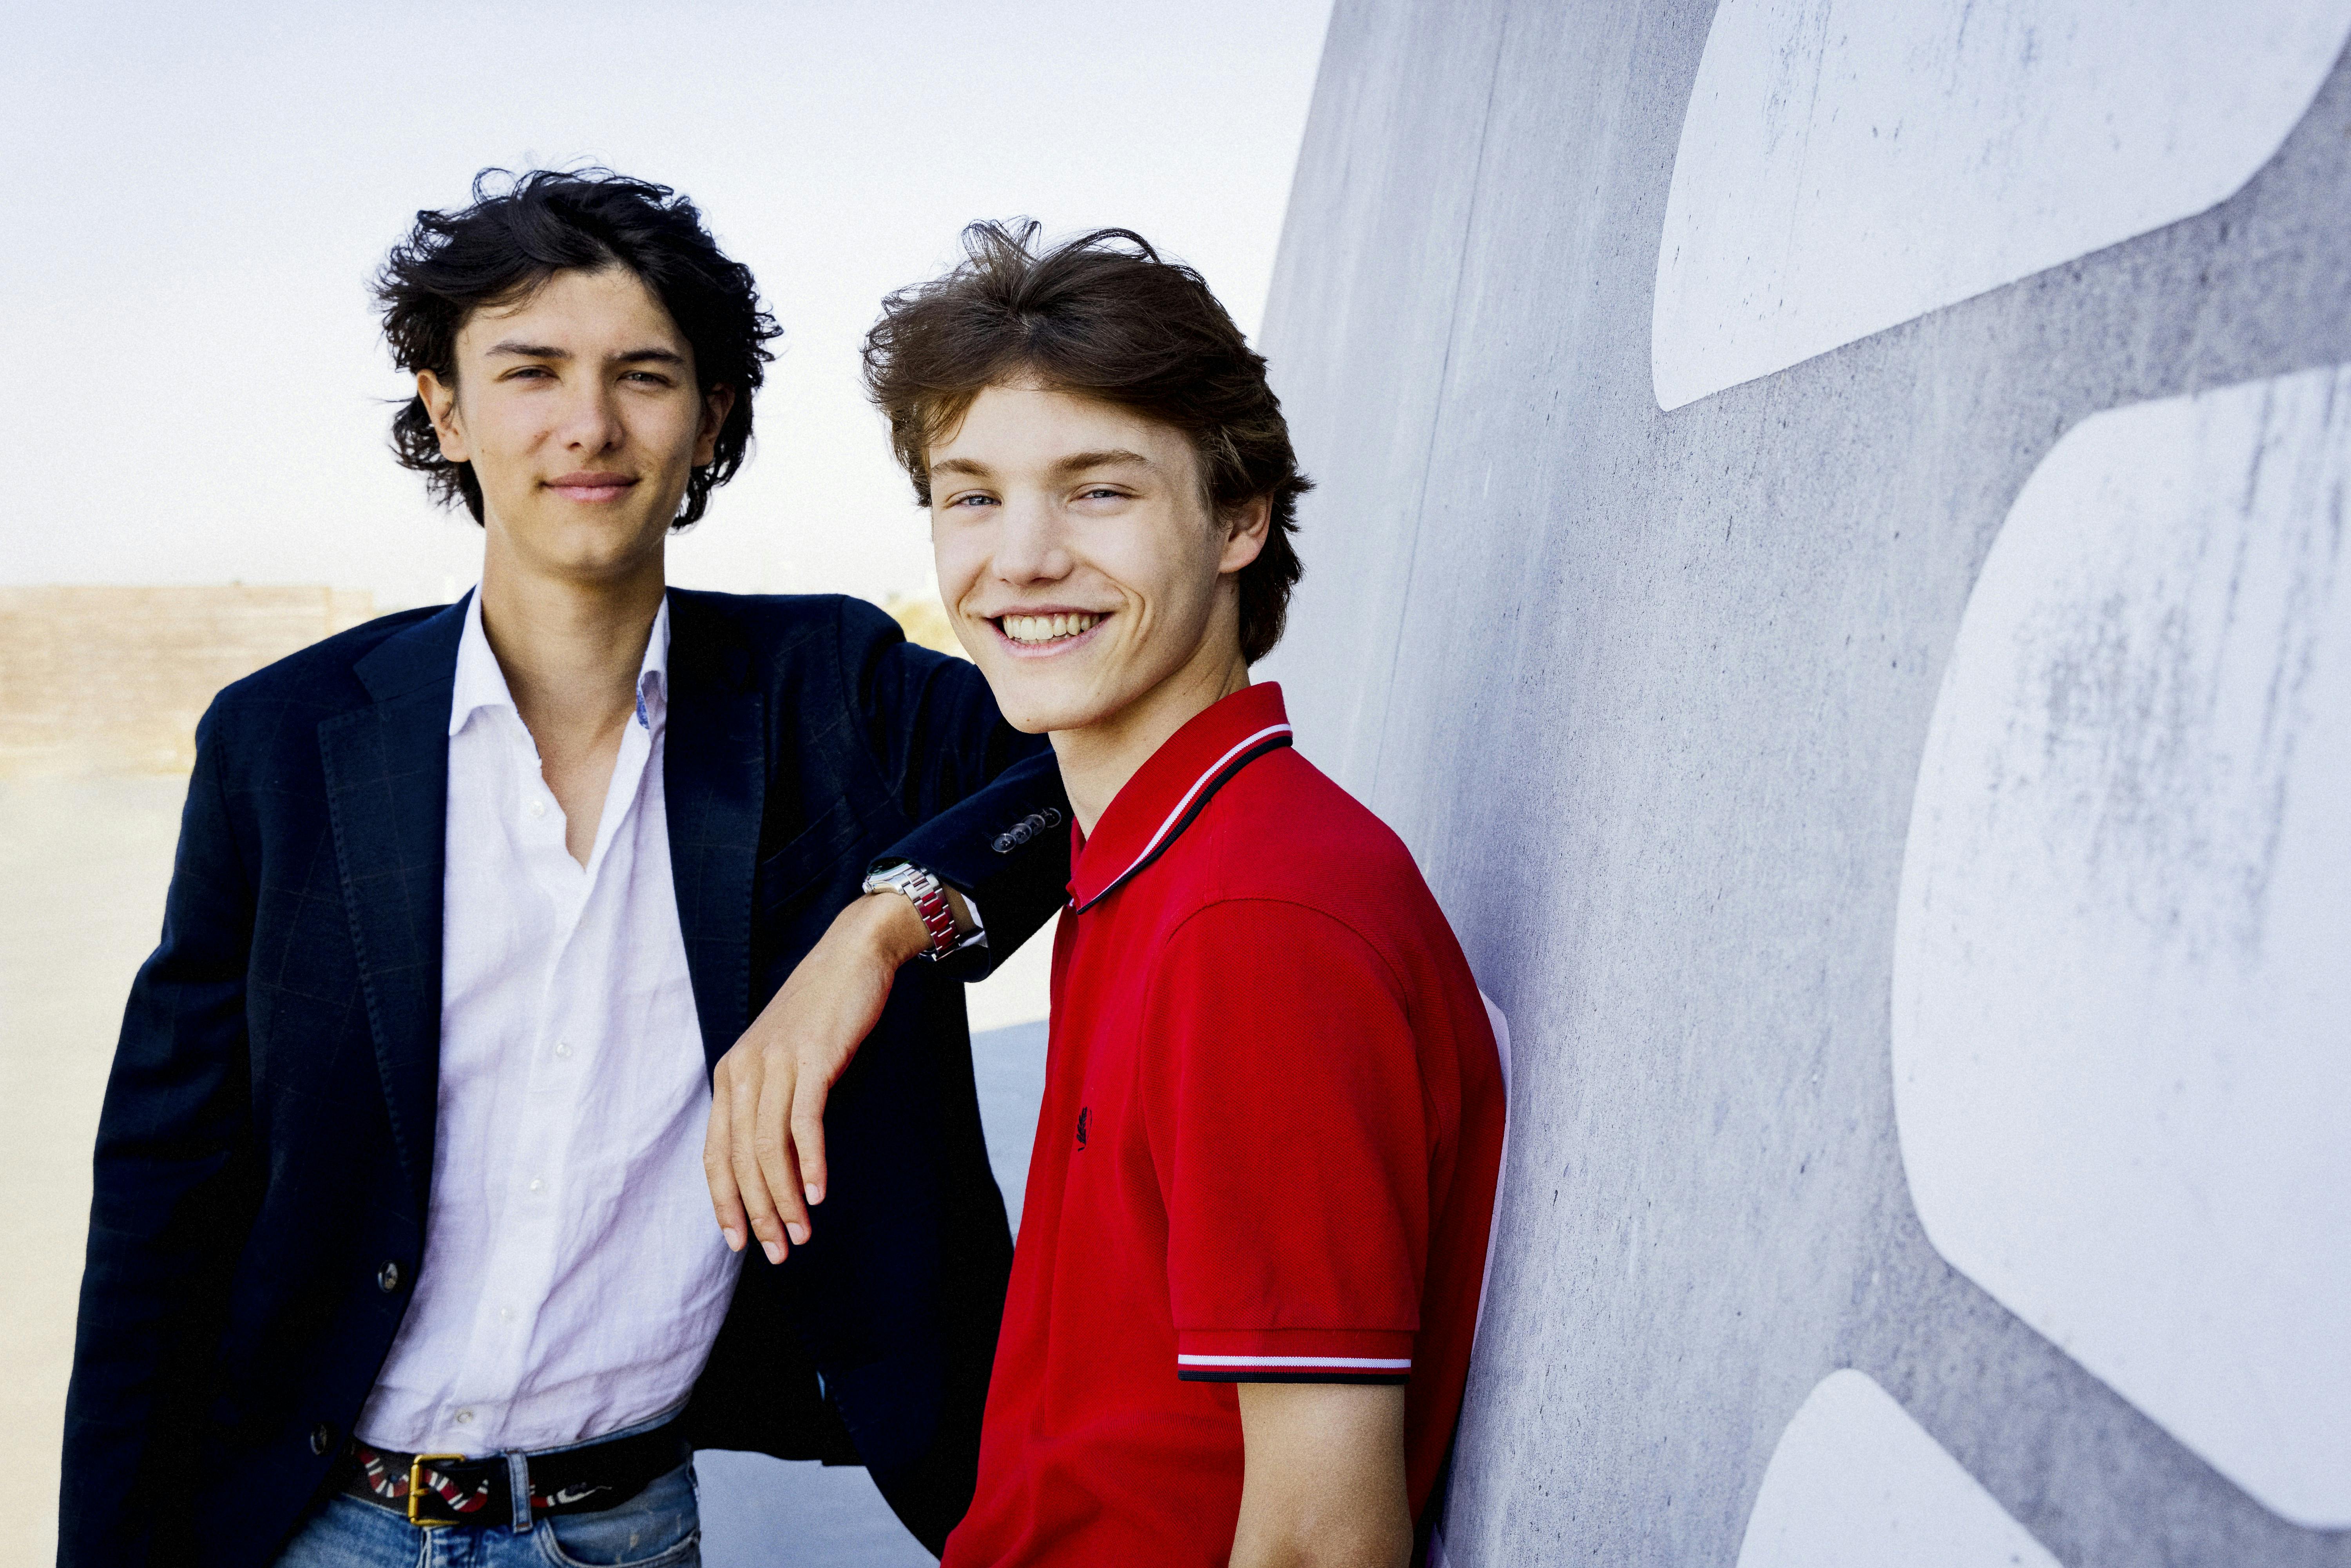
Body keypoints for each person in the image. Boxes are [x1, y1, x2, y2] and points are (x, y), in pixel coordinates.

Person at [60, 170, 1074, 1568]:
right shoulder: (284, 742)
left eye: (643, 375)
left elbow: (1093, 774)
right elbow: (164, 1195)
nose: (588, 424)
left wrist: (885, 927)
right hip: (312, 1523)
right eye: (530, 371)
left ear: (711, 416)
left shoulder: (830, 686)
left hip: (624, 1529)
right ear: (446, 409)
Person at [713, 221, 1507, 1567]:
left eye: (1097, 491)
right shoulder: (1151, 863)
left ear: (1240, 517)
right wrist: (881, 925)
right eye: (972, 497)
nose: (1020, 560)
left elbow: (1319, 1538)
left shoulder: (1253, 921)